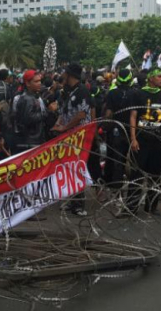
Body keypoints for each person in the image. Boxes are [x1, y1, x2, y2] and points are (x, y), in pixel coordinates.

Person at [128, 68, 161, 215]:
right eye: (158, 76)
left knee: (155, 175)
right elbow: (133, 116)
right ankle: (131, 206)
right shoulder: (138, 94)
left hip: (158, 141)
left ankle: (151, 206)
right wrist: (133, 138)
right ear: (150, 78)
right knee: (136, 174)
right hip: (141, 140)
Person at [53, 64, 92, 216]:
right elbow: (65, 111)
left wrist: (65, 128)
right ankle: (72, 201)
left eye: (65, 72)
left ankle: (79, 205)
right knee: (70, 168)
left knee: (78, 168)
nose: (62, 74)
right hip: (69, 135)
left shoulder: (82, 91)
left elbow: (81, 115)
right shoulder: (70, 91)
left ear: (70, 75)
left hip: (79, 136)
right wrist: (59, 124)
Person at [103, 69, 135, 192]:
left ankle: (115, 188)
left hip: (116, 131)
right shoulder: (135, 93)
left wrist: (104, 128)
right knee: (133, 160)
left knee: (115, 159)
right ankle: (132, 187)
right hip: (132, 131)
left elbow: (109, 113)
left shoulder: (112, 93)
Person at [12, 70, 56, 154]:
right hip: (31, 141)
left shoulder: (33, 96)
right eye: (36, 81)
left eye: (40, 81)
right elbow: (28, 119)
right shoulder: (27, 99)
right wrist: (48, 111)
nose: (39, 83)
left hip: (35, 139)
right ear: (28, 83)